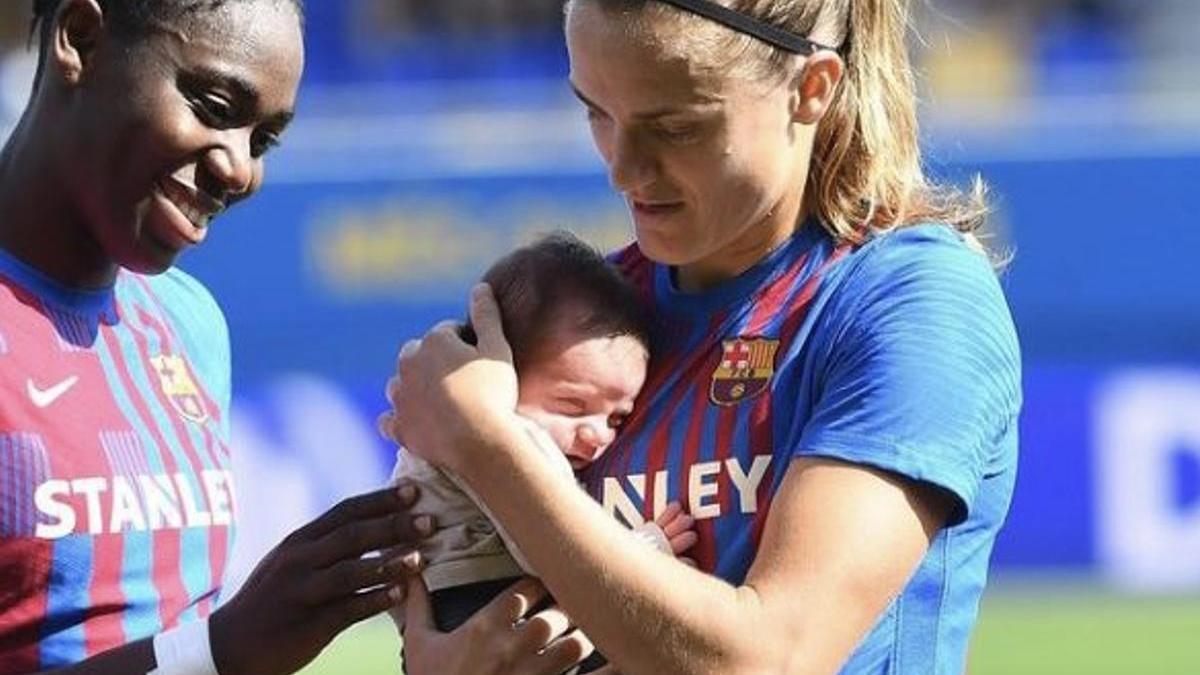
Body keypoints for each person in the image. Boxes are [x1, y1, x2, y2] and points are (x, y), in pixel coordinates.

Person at [381, 0, 1022, 673]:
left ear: (812, 89)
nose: (623, 169)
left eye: (675, 127)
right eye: (596, 111)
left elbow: (768, 659)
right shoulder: (588, 320)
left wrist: (489, 445)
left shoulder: (910, 299)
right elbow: (469, 609)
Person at [0, 1, 429, 673]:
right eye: (214, 104)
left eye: (262, 140)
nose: (239, 169)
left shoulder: (189, 322)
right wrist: (224, 649)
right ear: (80, 38)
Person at [387, 232, 697, 635]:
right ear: (499, 373)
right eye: (571, 406)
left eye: (616, 419)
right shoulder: (509, 434)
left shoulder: (443, 427)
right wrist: (649, 550)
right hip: (478, 601)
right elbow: (551, 548)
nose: (596, 435)